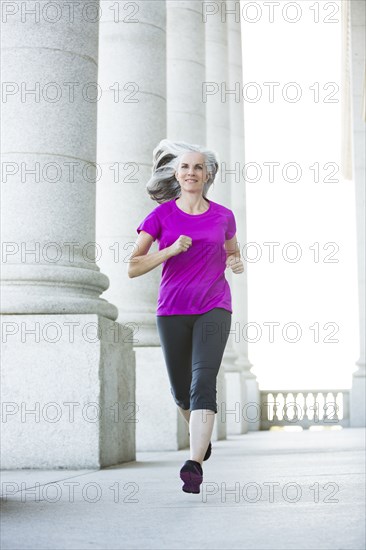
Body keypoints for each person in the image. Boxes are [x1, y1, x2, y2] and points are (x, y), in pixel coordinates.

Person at [128, 139, 244, 494]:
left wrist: (236, 262)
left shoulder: (223, 215)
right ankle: (199, 435)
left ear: (207, 175)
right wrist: (171, 250)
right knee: (182, 392)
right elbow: (133, 267)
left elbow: (232, 252)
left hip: (214, 306)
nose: (191, 172)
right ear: (176, 175)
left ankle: (194, 464)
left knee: (202, 381)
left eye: (198, 167)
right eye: (185, 167)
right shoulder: (161, 217)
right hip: (172, 310)